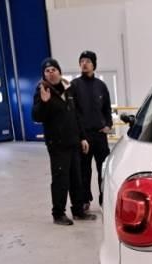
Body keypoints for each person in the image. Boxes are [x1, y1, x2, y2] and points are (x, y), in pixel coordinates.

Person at [32, 57, 96, 225]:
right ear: (44, 75)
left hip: (73, 141)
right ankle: (58, 214)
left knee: (76, 179)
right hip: (57, 144)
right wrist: (44, 103)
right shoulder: (42, 90)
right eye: (47, 71)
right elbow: (36, 117)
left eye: (53, 69)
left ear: (59, 72)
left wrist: (82, 137)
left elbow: (76, 116)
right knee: (61, 180)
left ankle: (78, 211)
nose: (51, 73)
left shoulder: (69, 89)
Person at [71, 50, 112, 208]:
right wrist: (80, 135)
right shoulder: (75, 85)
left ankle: (104, 197)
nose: (84, 64)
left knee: (103, 168)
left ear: (94, 65)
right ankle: (85, 199)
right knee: (84, 170)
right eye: (82, 61)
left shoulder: (101, 86)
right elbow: (73, 111)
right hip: (84, 136)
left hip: (100, 135)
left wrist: (108, 124)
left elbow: (107, 108)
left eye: (88, 61)